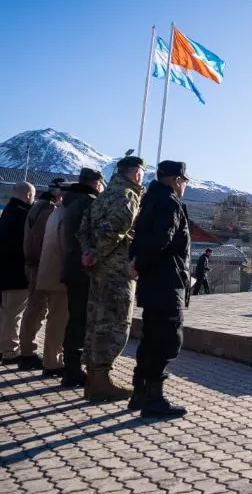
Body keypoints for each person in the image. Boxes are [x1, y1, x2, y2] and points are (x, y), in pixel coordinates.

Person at [78, 155, 145, 401]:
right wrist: (96, 253)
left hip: (97, 272)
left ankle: (94, 378)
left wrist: (88, 251)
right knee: (115, 323)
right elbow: (116, 228)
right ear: (136, 173)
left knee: (96, 322)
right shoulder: (128, 196)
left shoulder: (103, 196)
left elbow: (83, 229)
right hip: (116, 272)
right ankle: (101, 380)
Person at [128, 161, 191, 418]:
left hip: (153, 281)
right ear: (177, 180)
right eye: (184, 181)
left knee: (150, 338)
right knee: (167, 340)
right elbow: (161, 239)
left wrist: (135, 262)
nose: (184, 186)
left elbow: (139, 237)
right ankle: (154, 398)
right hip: (166, 281)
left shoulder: (149, 199)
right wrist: (139, 262)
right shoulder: (169, 203)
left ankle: (140, 393)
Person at [60, 168, 105, 387]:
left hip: (72, 267)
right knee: (81, 322)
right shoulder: (88, 202)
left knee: (75, 320)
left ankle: (71, 367)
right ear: (97, 184)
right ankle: (73, 371)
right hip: (84, 269)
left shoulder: (71, 202)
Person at [20, 182, 70, 376]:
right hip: (43, 266)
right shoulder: (48, 211)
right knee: (50, 314)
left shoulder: (37, 207)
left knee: (34, 310)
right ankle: (47, 358)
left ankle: (27, 351)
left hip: (36, 266)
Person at [0, 182, 35, 365]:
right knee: (14, 314)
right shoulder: (24, 216)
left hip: (4, 273)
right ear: (29, 195)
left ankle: (4, 348)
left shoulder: (7, 211)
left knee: (5, 313)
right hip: (17, 273)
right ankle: (10, 351)